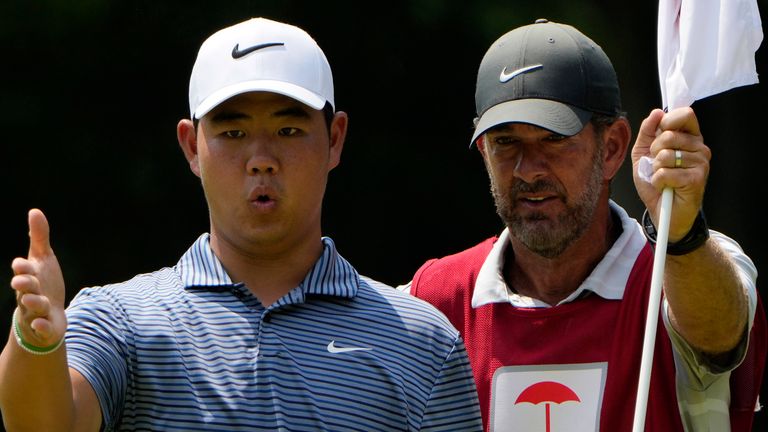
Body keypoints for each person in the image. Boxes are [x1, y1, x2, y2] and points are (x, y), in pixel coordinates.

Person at [0, 17, 483, 431]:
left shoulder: (422, 341)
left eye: (288, 129)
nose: (261, 159)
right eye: (232, 132)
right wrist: (36, 343)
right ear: (191, 146)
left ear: (335, 139)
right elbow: (45, 423)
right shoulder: (122, 320)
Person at [401, 19, 767, 431]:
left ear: (611, 148)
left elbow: (722, 338)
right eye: (506, 142)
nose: (528, 169)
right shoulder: (433, 299)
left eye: (553, 139)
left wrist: (681, 235)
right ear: (484, 152)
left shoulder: (681, 268)